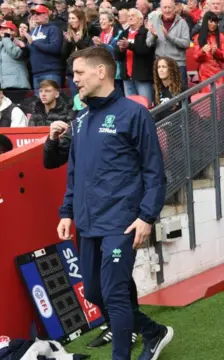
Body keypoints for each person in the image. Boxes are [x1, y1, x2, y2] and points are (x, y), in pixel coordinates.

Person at [56, 46, 173, 360]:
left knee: (115, 294)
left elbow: (154, 171)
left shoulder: (134, 113)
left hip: (123, 221)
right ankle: (153, 332)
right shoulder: (80, 121)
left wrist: (147, 216)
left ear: (101, 71)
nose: (74, 80)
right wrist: (66, 211)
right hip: (87, 221)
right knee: (94, 293)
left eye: (79, 73)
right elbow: (74, 173)